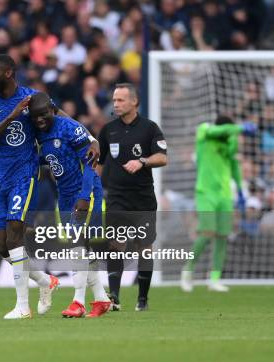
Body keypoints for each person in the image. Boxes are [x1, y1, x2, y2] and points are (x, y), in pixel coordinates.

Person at [0, 54, 99, 319]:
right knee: (2, 246)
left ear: (8, 73)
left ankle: (23, 306)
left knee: (15, 233)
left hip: (24, 173)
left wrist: (89, 137)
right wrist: (13, 114)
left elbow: (58, 115)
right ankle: (45, 282)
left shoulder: (32, 96)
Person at [28, 92, 111, 318]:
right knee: (82, 248)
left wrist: (85, 197)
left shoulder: (69, 129)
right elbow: (52, 161)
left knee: (77, 246)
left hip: (84, 192)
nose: (40, 119)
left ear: (52, 110)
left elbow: (91, 161)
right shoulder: (38, 134)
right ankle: (102, 299)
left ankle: (78, 302)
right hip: (63, 196)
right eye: (35, 116)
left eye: (44, 114)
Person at [96, 83, 167, 312]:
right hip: (117, 197)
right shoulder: (108, 130)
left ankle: (142, 300)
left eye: (120, 100)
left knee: (144, 248)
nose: (116, 104)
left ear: (134, 102)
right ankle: (114, 297)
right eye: (114, 100)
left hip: (143, 199)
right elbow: (99, 162)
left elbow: (162, 157)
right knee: (115, 244)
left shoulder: (149, 128)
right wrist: (94, 188)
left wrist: (142, 161)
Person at [181, 115, 256, 292]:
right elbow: (220, 130)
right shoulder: (205, 131)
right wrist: (240, 128)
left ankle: (214, 279)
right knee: (207, 233)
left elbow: (233, 164)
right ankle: (188, 270)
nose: (230, 135)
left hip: (224, 194)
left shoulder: (230, 140)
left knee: (222, 236)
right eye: (229, 132)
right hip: (205, 192)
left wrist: (239, 189)